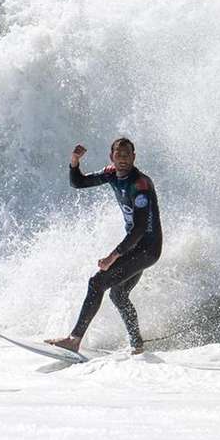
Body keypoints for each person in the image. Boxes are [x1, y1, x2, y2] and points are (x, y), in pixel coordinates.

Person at [46, 137, 162, 354]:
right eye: (119, 155)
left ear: (134, 157)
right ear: (112, 157)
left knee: (97, 282)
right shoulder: (111, 174)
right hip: (135, 247)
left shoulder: (140, 184)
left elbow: (138, 230)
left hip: (147, 248)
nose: (123, 159)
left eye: (127, 155)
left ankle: (74, 339)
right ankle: (137, 345)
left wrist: (112, 257)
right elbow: (78, 182)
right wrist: (74, 161)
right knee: (118, 294)